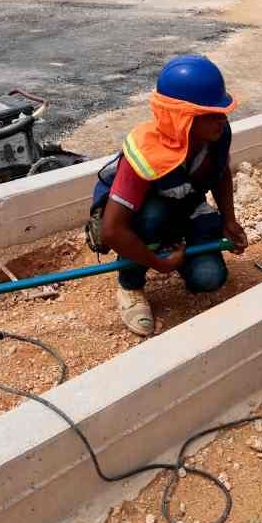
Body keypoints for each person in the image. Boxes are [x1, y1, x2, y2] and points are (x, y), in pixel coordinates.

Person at [90, 55, 249, 336]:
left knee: (210, 278)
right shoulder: (144, 154)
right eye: (210, 114)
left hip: (184, 206)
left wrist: (228, 219)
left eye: (221, 111)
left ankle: (175, 248)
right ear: (181, 118)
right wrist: (160, 265)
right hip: (139, 219)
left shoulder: (217, 136)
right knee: (152, 217)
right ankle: (130, 285)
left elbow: (221, 172)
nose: (222, 120)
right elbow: (113, 230)